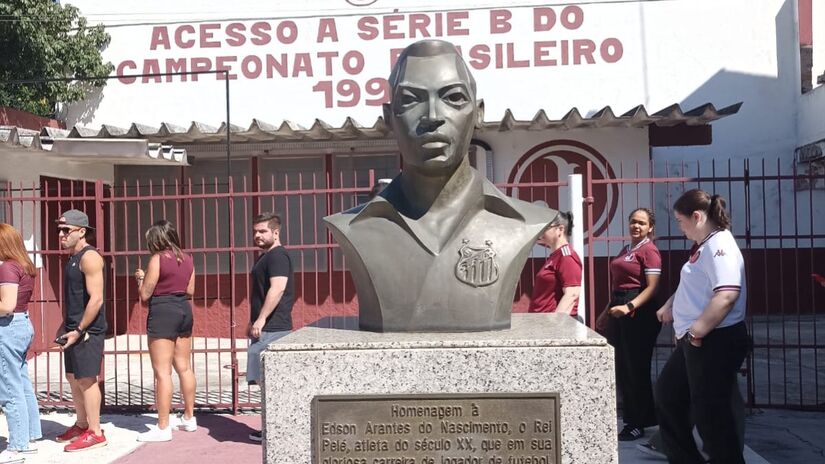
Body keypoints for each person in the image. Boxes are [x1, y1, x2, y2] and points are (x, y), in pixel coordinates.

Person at [324, 40, 557, 332]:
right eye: (410, 100)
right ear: (388, 117)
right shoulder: (353, 226)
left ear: (478, 113)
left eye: (454, 98)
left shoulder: (521, 223)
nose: (433, 116)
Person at [654, 189, 750, 463]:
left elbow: (727, 294)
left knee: (711, 416)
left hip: (712, 341)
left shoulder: (720, 247)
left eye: (680, 221)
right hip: (694, 341)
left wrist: (696, 331)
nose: (680, 227)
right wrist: (672, 305)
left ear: (697, 216)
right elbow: (698, 286)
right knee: (669, 395)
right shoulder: (706, 246)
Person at [596, 208, 662, 441]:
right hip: (620, 306)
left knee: (636, 369)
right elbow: (617, 287)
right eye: (633, 222)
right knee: (622, 368)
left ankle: (636, 423)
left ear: (650, 227)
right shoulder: (627, 250)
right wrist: (606, 312)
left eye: (642, 223)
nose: (636, 226)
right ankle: (636, 419)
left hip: (639, 313)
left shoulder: (649, 251)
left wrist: (630, 307)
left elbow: (652, 287)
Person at [133, 220, 197, 442]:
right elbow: (190, 289)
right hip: (184, 309)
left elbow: (145, 294)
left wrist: (140, 279)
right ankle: (189, 417)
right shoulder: (188, 258)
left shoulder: (157, 259)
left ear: (157, 240)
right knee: (184, 367)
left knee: (162, 372)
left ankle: (163, 426)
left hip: (163, 311)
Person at [53, 209, 108, 452]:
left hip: (87, 330)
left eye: (66, 230)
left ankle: (95, 432)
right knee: (73, 377)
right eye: (59, 230)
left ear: (82, 232)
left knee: (87, 379)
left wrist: (79, 329)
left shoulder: (90, 257)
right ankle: (82, 424)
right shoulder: (73, 257)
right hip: (73, 328)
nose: (61, 235)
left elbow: (96, 299)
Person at [246, 212, 294, 442]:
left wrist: (261, 319)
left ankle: (276, 430)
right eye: (255, 231)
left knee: (268, 381)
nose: (257, 235)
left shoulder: (277, 257)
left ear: (276, 232)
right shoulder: (266, 257)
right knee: (263, 379)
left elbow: (278, 288)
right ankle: (272, 428)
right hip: (265, 327)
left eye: (263, 231)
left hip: (274, 328)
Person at [0, 224, 42, 463]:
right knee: (22, 383)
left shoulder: (7, 267)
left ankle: (17, 445)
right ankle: (29, 436)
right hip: (22, 323)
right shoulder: (23, 265)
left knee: (9, 386)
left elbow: (6, 305)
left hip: (8, 327)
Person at [528, 211, 582, 319]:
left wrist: (555, 325)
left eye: (545, 227)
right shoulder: (555, 256)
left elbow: (572, 294)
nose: (541, 231)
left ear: (560, 230)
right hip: (542, 323)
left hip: (556, 325)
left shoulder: (566, 256)